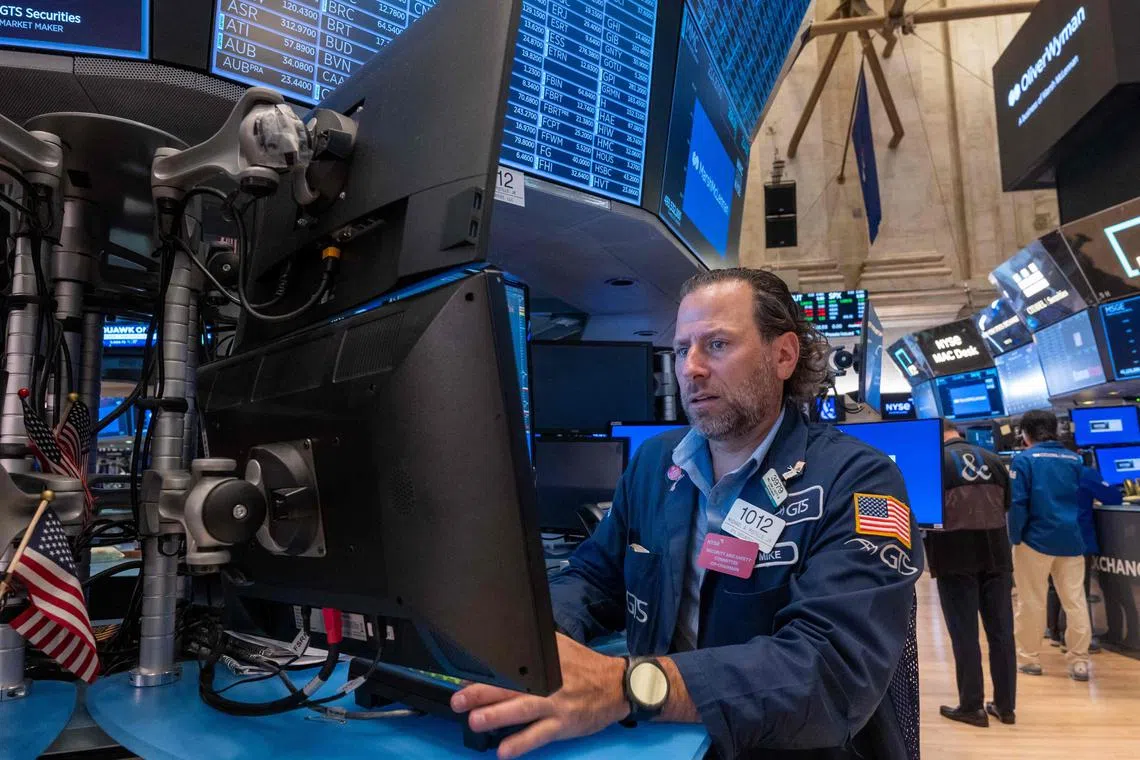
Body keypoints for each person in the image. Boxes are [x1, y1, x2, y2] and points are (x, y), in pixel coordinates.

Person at [451, 269, 924, 760]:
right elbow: (595, 577)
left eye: (717, 345)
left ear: (783, 355)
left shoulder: (859, 481)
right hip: (666, 742)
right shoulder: (656, 464)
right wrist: (537, 641)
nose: (690, 369)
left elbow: (831, 671)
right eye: (681, 350)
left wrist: (628, 685)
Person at [926, 426, 1016, 728]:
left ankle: (972, 706)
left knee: (965, 635)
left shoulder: (935, 461)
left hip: (954, 558)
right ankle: (1005, 707)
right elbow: (1006, 506)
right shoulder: (994, 460)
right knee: (1002, 634)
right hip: (997, 555)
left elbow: (927, 513)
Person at [1009, 410, 1092, 682]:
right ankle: (1079, 661)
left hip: (1034, 541)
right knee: (1075, 601)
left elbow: (1018, 504)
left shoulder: (1024, 460)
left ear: (1025, 434)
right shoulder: (1075, 459)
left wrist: (1015, 537)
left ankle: (1029, 659)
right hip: (1071, 539)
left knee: (1031, 601)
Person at [1045, 465, 1118, 651]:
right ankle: (1070, 638)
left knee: (1055, 586)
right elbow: (1113, 497)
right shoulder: (1084, 473)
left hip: (1048, 536)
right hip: (1078, 538)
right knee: (1077, 590)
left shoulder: (1043, 470)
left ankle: (1054, 632)